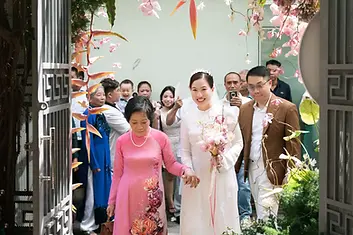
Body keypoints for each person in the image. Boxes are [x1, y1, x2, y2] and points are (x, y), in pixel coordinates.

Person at [106, 96, 199, 235]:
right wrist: (112, 201)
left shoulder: (160, 138)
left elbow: (171, 164)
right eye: (134, 122)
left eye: (143, 122)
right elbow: (118, 174)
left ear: (150, 119)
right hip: (127, 195)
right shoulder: (122, 141)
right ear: (128, 121)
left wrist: (186, 170)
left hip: (152, 197)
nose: (139, 127)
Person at [180, 71, 243, 235]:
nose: (199, 94)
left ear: (213, 88)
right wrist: (188, 169)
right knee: (197, 219)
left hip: (222, 174)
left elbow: (238, 143)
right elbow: (185, 150)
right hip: (197, 177)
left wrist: (225, 161)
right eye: (194, 90)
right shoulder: (187, 117)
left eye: (203, 89)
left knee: (223, 216)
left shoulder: (227, 112)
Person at [235, 66, 301, 220]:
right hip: (251, 166)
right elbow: (242, 139)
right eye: (251, 87)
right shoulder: (245, 109)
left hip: (273, 167)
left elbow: (293, 144)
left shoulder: (286, 108)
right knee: (259, 209)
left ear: (270, 83)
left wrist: (291, 173)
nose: (256, 91)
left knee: (267, 213)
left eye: (260, 85)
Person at [77, 86, 112, 235]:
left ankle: (99, 222)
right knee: (92, 193)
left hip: (104, 158)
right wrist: (94, 162)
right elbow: (87, 141)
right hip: (95, 160)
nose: (102, 97)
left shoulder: (101, 113)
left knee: (102, 192)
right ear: (90, 98)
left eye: (103, 95)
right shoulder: (88, 115)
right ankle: (87, 225)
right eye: (98, 95)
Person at [222, 72, 252, 222]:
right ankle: (229, 214)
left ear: (241, 84)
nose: (232, 85)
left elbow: (251, 126)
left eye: (235, 82)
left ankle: (245, 215)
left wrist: (242, 109)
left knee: (243, 184)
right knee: (227, 184)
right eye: (229, 83)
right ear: (225, 85)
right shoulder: (219, 104)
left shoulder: (248, 103)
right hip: (226, 148)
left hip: (244, 147)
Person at [158, 86, 182, 221]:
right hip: (167, 144)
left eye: (171, 96)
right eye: (165, 96)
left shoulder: (181, 111)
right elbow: (165, 125)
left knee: (181, 176)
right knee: (169, 176)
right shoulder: (158, 112)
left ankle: (179, 205)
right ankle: (170, 204)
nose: (168, 99)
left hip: (181, 143)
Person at [101, 78, 130, 167]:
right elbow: (128, 130)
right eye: (117, 90)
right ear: (110, 95)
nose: (120, 93)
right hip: (113, 153)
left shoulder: (114, 106)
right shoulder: (109, 111)